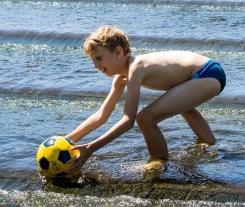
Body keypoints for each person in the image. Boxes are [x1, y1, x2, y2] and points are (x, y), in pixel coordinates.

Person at [65, 25, 226, 171]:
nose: (95, 65)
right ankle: (211, 147)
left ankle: (159, 163)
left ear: (119, 52)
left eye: (99, 58)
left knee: (145, 118)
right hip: (204, 73)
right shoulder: (121, 78)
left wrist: (91, 148)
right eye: (93, 60)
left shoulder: (136, 67)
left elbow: (128, 120)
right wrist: (68, 140)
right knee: (185, 108)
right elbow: (101, 116)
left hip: (207, 73)